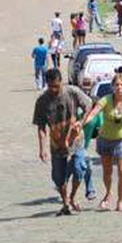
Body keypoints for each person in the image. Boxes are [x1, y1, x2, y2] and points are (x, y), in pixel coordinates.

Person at [33, 68, 92, 216]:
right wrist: (42, 148)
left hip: (76, 140)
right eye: (50, 86)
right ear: (46, 84)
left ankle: (72, 197)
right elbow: (41, 127)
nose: (54, 89)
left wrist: (81, 122)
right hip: (56, 144)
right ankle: (65, 202)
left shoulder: (72, 92)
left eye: (56, 86)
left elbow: (88, 106)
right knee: (58, 178)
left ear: (61, 83)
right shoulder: (42, 101)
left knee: (80, 168)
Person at [83, 73, 122, 211]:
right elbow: (94, 112)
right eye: (117, 85)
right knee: (107, 172)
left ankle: (120, 201)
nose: (119, 87)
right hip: (105, 139)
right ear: (113, 87)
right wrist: (83, 123)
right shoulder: (105, 100)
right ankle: (108, 193)